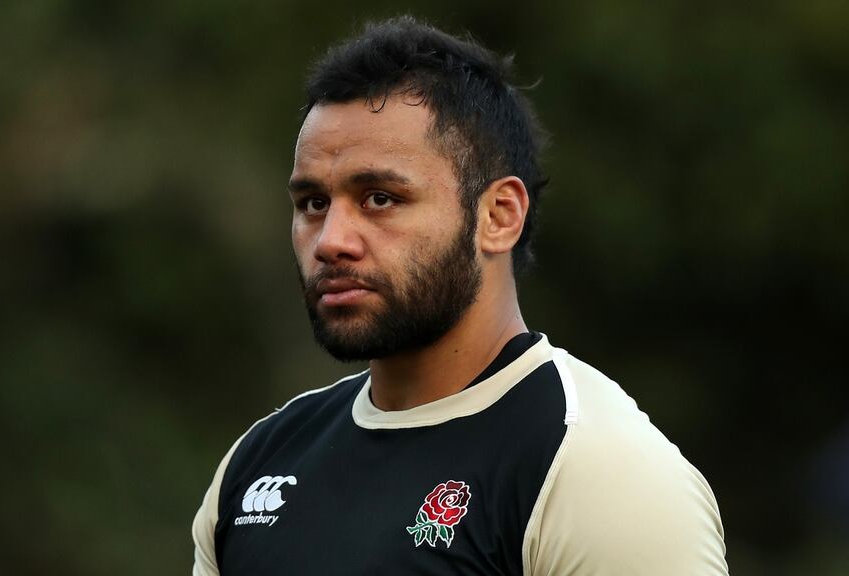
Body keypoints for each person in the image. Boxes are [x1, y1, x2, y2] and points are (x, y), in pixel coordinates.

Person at [192, 16, 727, 575]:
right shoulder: (258, 465)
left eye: (379, 198)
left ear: (498, 216)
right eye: (313, 204)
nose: (331, 242)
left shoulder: (594, 471)